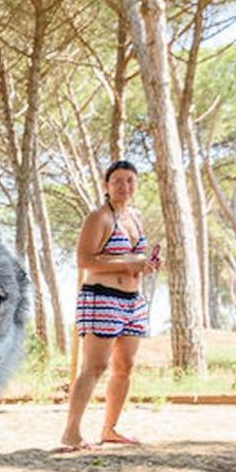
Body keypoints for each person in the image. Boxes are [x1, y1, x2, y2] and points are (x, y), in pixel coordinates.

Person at [56, 160, 161, 454]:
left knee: (125, 366)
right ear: (106, 185)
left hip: (133, 301)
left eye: (130, 180)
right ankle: (71, 432)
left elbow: (134, 259)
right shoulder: (98, 218)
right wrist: (130, 262)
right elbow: (85, 261)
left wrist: (147, 265)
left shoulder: (135, 217)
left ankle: (110, 429)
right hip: (101, 297)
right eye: (117, 181)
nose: (124, 186)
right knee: (95, 366)